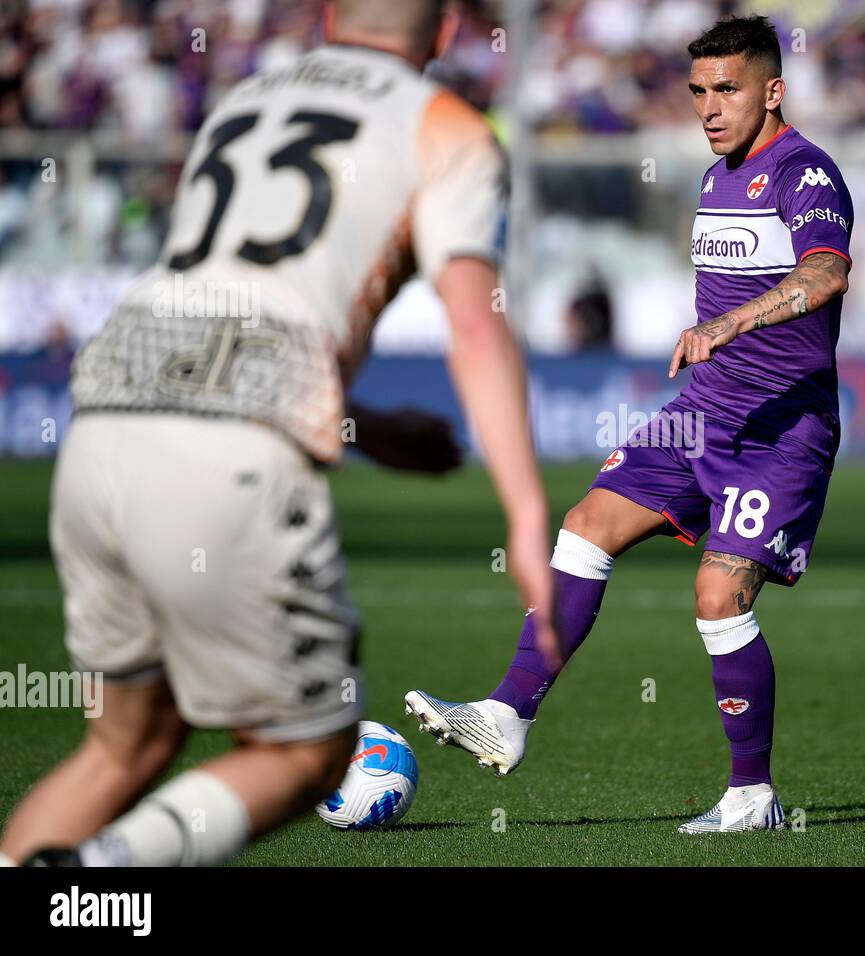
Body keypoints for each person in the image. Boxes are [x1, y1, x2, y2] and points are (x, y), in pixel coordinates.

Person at [1, 0, 554, 867]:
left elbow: (221, 317)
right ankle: (93, 875)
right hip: (231, 462)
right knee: (306, 752)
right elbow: (477, 324)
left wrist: (362, 424)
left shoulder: (245, 101)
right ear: (445, 32)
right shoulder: (449, 128)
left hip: (102, 421)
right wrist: (525, 515)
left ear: (331, 16)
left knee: (123, 748)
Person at [406, 14, 853, 834]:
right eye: (699, 92)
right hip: (703, 413)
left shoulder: (805, 172)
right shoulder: (719, 177)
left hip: (780, 430)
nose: (710, 107)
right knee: (585, 526)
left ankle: (752, 795)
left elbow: (824, 273)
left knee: (718, 596)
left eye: (729, 89)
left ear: (774, 90)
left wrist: (730, 325)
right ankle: (510, 712)